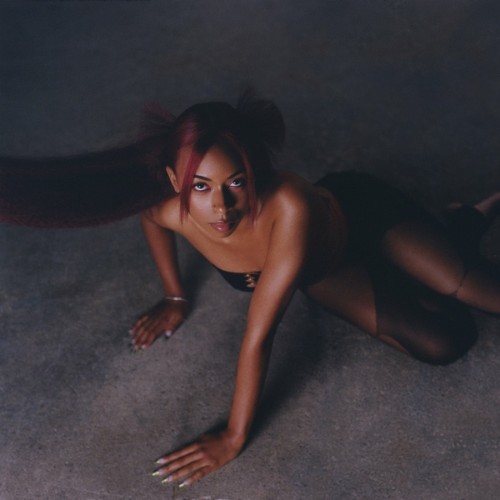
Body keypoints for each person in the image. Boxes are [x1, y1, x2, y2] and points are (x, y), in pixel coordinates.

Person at [1, 93, 500, 488]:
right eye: (200, 186)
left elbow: (258, 337)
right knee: (447, 342)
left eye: (236, 183)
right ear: (175, 179)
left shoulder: (291, 205)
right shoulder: (168, 209)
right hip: (324, 272)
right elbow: (151, 221)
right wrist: (174, 298)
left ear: (255, 174)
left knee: (474, 291)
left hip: (364, 217)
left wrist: (233, 436)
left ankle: (457, 227)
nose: (221, 207)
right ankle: (445, 239)